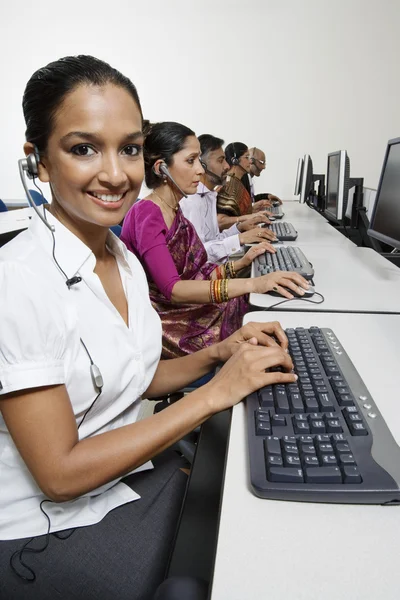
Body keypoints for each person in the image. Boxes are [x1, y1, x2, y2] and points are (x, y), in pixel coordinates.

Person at [0, 55, 300, 600]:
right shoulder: (16, 283)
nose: (116, 174)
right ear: (39, 160)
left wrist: (220, 354)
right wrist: (212, 398)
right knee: (214, 570)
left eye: (130, 148)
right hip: (37, 526)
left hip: (112, 482)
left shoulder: (123, 260)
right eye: (83, 148)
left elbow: (143, 376)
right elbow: (60, 475)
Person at [121, 122, 310, 359]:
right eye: (190, 161)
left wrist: (242, 264)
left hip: (188, 311)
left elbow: (200, 271)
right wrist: (254, 283)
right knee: (260, 335)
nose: (200, 170)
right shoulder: (147, 215)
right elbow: (175, 290)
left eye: (199, 160)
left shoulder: (174, 211)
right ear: (162, 169)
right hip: (172, 324)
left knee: (266, 321)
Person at [180, 134, 277, 263]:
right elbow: (198, 254)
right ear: (202, 165)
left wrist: (240, 227)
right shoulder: (192, 201)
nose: (227, 166)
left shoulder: (209, 196)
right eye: (220, 161)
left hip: (219, 266)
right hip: (208, 276)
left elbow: (215, 239)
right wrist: (240, 238)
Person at [216, 142, 272, 231]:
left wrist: (253, 210)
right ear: (235, 160)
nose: (250, 161)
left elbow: (236, 213)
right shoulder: (228, 184)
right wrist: (248, 217)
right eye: (246, 157)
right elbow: (220, 221)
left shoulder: (238, 182)